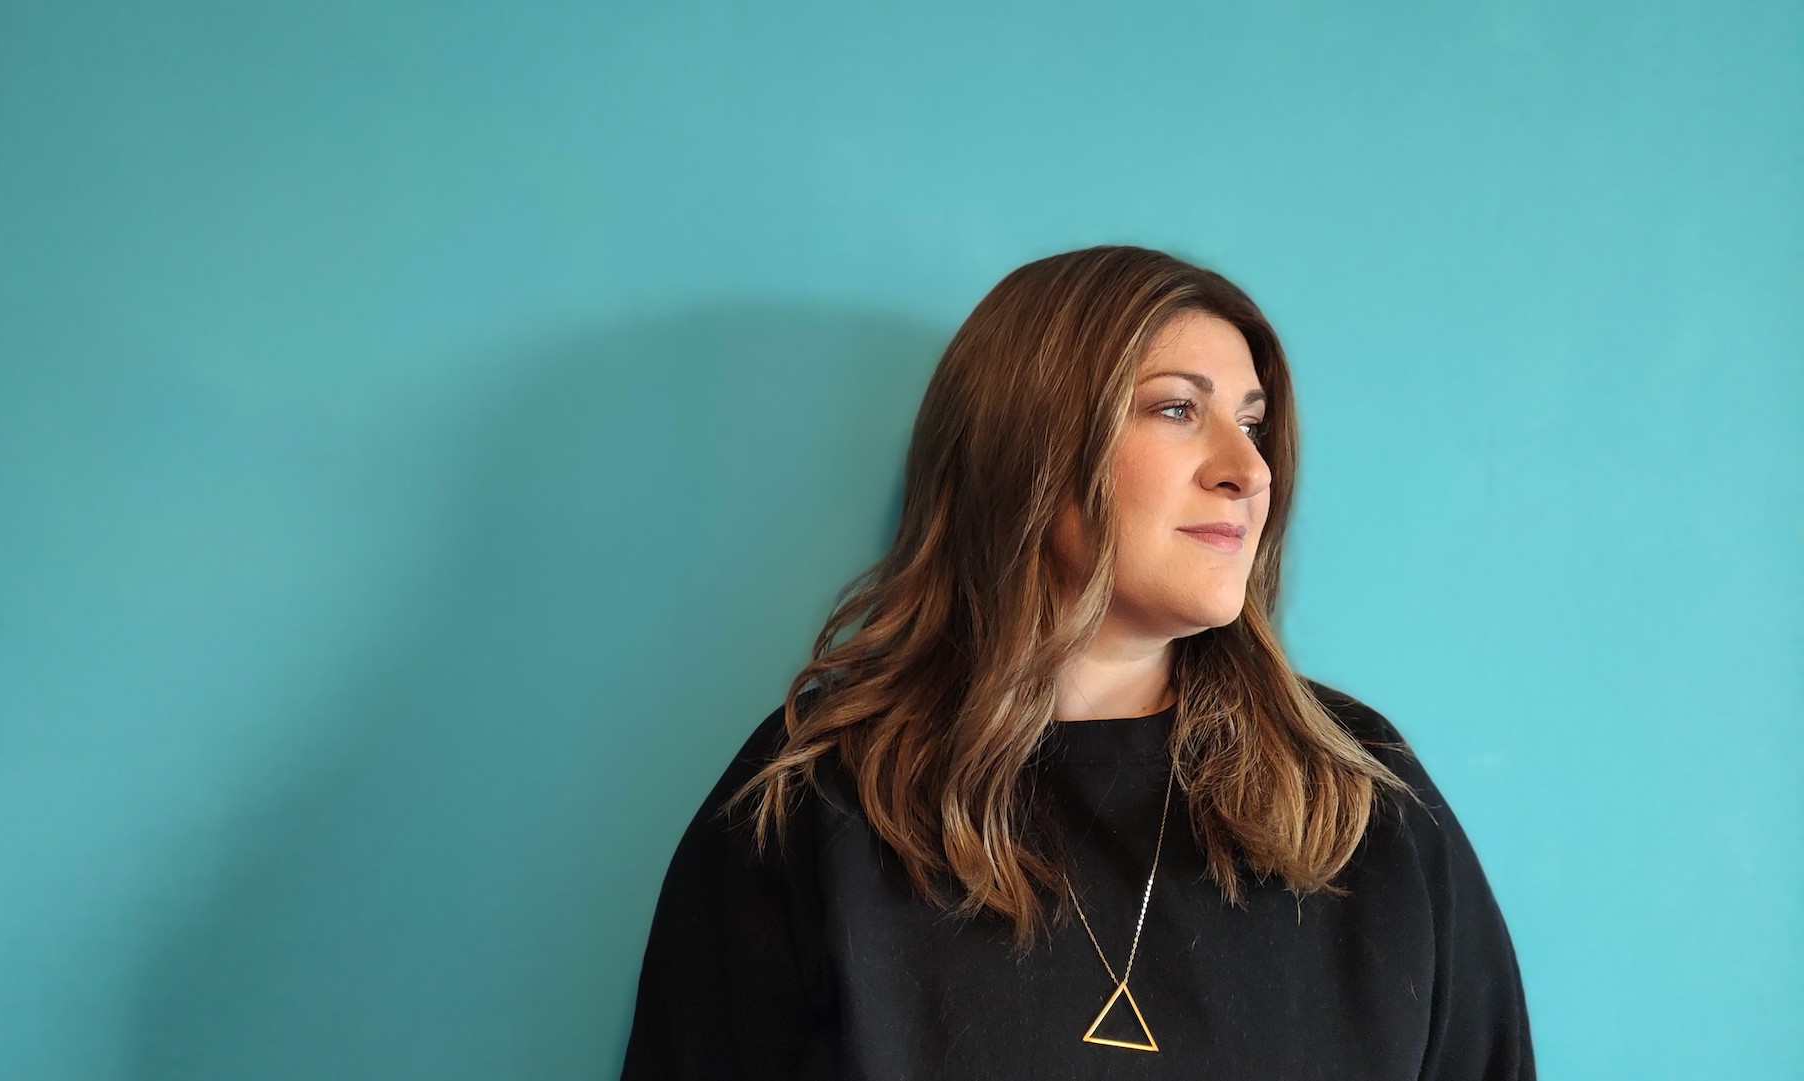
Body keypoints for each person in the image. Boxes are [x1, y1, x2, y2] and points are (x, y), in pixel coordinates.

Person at [618, 245, 1536, 1080]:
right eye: (1178, 408)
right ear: (1032, 450)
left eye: (1253, 425)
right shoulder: (823, 799)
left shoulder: (1357, 791)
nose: (1248, 470)